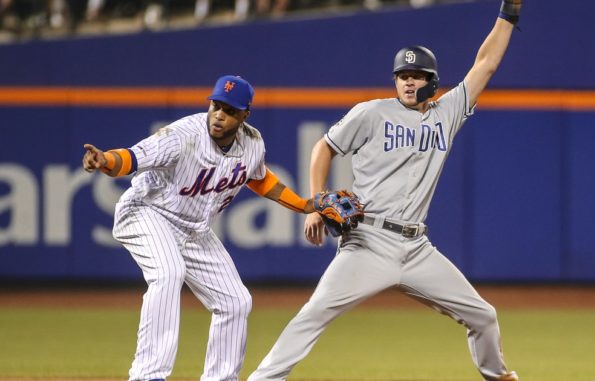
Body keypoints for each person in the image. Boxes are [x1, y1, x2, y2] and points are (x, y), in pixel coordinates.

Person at [247, 1, 523, 380]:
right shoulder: (371, 112)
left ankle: (499, 376)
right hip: (368, 241)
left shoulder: (448, 112)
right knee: (315, 311)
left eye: (417, 75)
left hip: (417, 248)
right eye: (402, 75)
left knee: (483, 316)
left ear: (432, 80)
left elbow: (486, 63)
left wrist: (509, 12)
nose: (408, 81)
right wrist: (314, 203)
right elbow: (322, 148)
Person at [82, 75, 319, 381]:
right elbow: (132, 158)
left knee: (235, 301)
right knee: (168, 272)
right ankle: (147, 375)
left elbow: (259, 178)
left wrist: (303, 205)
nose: (219, 115)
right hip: (147, 211)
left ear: (245, 115)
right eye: (216, 105)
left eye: (230, 110)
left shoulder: (252, 142)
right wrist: (105, 160)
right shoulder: (183, 135)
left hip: (194, 230)